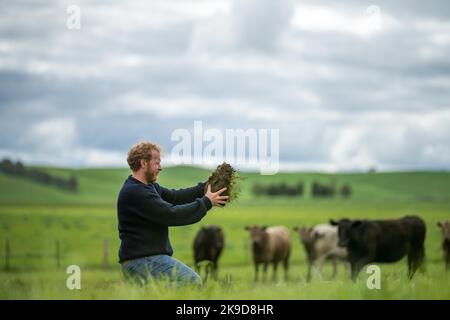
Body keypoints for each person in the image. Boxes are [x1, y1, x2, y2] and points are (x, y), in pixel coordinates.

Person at [117, 141, 228, 288]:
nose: (160, 167)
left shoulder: (148, 188)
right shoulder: (136, 192)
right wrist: (207, 202)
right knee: (192, 282)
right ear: (144, 163)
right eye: (157, 163)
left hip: (144, 259)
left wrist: (205, 187)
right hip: (142, 260)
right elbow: (171, 214)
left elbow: (176, 197)